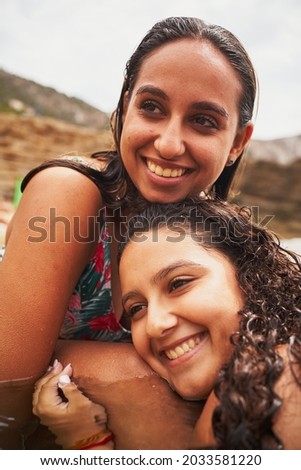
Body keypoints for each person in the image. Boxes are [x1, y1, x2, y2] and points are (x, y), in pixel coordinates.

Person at [0, 16, 256, 447]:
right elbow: (6, 390)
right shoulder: (72, 195)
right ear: (124, 109)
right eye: (151, 107)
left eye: (204, 121)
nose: (170, 144)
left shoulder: (218, 237)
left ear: (237, 143)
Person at [33, 198, 301, 450]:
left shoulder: (278, 380)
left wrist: (87, 444)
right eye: (137, 308)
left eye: (179, 283)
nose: (154, 325)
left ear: (250, 277)